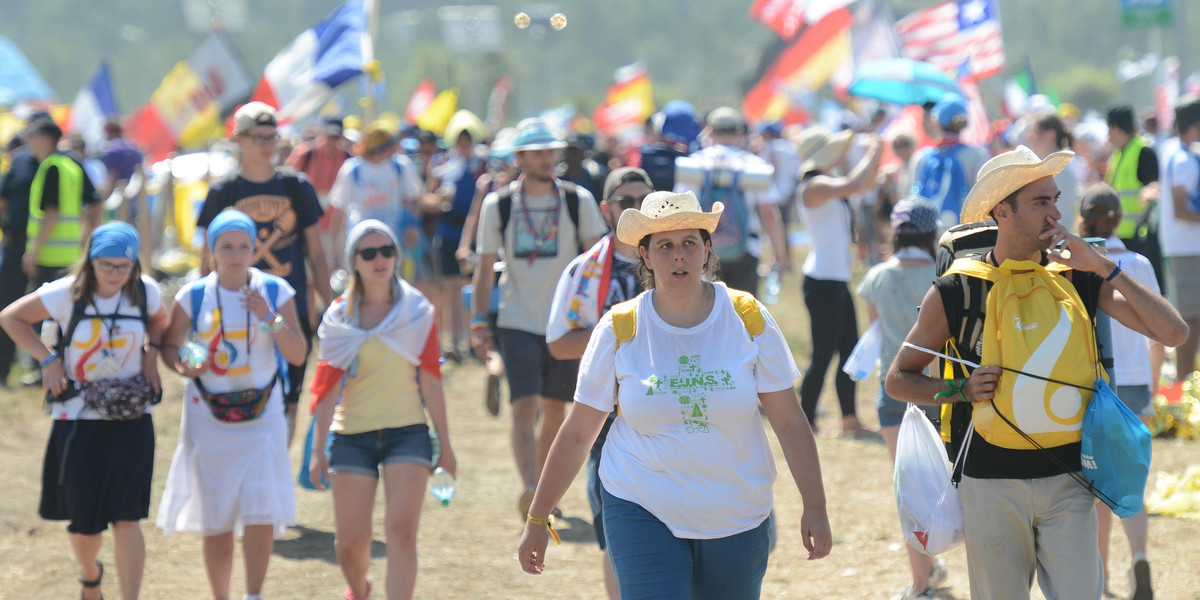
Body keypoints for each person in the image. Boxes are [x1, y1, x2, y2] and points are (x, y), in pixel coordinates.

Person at [886, 146, 1187, 599]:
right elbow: (899, 379)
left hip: (1072, 478)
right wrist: (960, 389)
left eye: (1056, 200)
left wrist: (1105, 267)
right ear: (1002, 211)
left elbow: (1175, 333)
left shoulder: (1079, 276)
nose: (1056, 214)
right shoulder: (958, 288)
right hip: (988, 483)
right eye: (1040, 202)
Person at [517, 190, 832, 599]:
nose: (678, 255)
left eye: (689, 243)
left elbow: (789, 421)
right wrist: (538, 518)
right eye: (664, 246)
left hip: (737, 510)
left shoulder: (747, 317)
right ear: (645, 256)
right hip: (640, 503)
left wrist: (816, 506)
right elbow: (579, 433)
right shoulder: (619, 328)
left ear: (706, 251)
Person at [0, 222, 166, 600]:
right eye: (106, 266)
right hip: (77, 416)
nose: (115, 275)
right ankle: (90, 576)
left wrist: (152, 355)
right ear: (90, 262)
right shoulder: (64, 293)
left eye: (123, 267)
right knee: (84, 523)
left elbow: (159, 320)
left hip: (132, 418)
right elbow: (10, 317)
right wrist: (48, 360)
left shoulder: (145, 291)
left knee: (128, 516)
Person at [157, 209, 308, 600]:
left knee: (260, 505)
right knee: (217, 515)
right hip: (208, 415)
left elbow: (297, 353)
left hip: (264, 413)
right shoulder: (193, 294)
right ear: (212, 251)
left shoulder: (274, 290)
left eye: (244, 246)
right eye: (227, 246)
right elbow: (169, 347)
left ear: (254, 248)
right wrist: (185, 364)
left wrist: (268, 317)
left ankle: (253, 594)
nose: (237, 255)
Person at [307, 220, 456, 600]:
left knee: (402, 535)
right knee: (350, 544)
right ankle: (360, 589)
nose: (380, 260)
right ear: (353, 261)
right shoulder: (339, 318)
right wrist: (317, 449)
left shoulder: (417, 310)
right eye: (368, 253)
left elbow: (432, 381)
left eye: (387, 251)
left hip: (408, 433)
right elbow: (325, 389)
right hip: (351, 436)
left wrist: (447, 447)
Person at [469, 117, 607, 517]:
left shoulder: (577, 200)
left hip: (564, 325)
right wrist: (479, 322)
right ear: (519, 158)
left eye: (552, 151)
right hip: (516, 320)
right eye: (539, 152)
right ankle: (531, 488)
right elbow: (483, 268)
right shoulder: (500, 204)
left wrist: (593, 318)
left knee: (554, 410)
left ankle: (546, 489)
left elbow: (594, 264)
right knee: (523, 406)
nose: (549, 158)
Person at [544, 166, 654, 600]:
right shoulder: (583, 271)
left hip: (669, 412)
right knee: (614, 530)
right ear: (607, 209)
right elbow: (558, 343)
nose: (636, 210)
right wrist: (618, 334)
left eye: (644, 201)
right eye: (626, 202)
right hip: (605, 420)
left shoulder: (675, 259)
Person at [197, 102, 333, 447]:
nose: (267, 144)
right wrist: (204, 306)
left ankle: (276, 465)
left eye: (272, 136)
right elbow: (206, 258)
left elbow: (316, 252)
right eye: (258, 137)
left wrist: (330, 304)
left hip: (292, 306)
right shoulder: (223, 192)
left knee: (289, 399)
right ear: (238, 140)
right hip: (235, 310)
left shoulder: (296, 186)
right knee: (241, 392)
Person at [857, 199, 949, 600]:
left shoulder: (876, 277)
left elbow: (874, 335)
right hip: (942, 392)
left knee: (909, 490)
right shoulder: (943, 274)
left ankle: (921, 581)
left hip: (892, 393)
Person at [1076, 184, 1158, 599]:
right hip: (1139, 380)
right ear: (1119, 219)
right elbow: (1159, 332)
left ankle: (1102, 577)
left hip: (1100, 383)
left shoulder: (1079, 263)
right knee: (1132, 478)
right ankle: (1140, 555)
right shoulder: (1139, 263)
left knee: (1099, 487)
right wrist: (1156, 384)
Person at [795, 125, 882, 436]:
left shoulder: (824, 184)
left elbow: (863, 183)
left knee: (848, 350)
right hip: (823, 282)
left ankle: (849, 420)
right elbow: (857, 184)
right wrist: (873, 152)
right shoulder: (813, 185)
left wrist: (874, 156)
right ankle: (805, 420)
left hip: (834, 279)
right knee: (822, 353)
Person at [674, 106, 787, 294]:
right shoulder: (754, 165)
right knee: (743, 315)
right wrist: (779, 256)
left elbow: (680, 212)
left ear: (709, 131)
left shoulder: (693, 164)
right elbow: (769, 214)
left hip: (702, 251)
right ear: (740, 132)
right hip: (747, 249)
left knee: (707, 314)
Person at [425, 116, 486, 361]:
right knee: (450, 287)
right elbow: (426, 199)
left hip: (472, 234)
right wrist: (439, 199)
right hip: (448, 231)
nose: (464, 145)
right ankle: (453, 341)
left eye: (467, 140)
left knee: (468, 288)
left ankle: (472, 339)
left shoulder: (480, 164)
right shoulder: (442, 165)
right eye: (460, 141)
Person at [22, 115, 103, 287]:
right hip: (69, 254)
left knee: (40, 310)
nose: (27, 140)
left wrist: (33, 252)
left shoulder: (51, 167)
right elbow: (95, 202)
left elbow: (52, 212)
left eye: (32, 135)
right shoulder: (71, 166)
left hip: (48, 256)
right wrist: (85, 239)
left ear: (45, 139)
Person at [1161, 96, 1200, 382]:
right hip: (1187, 249)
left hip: (1185, 247)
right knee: (1191, 319)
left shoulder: (1177, 151)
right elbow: (1180, 207)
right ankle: (1185, 385)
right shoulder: (1184, 159)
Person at [910, 94, 989, 230]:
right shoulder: (976, 155)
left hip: (925, 235)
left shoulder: (920, 157)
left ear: (937, 122)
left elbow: (909, 196)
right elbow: (984, 198)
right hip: (962, 234)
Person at [1104, 106, 1160, 270]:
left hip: (1140, 236)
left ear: (1115, 127)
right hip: (1120, 235)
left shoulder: (1144, 150)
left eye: (1109, 129)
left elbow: (1155, 186)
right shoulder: (1118, 153)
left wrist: (1150, 191)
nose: (1108, 136)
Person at [1030, 114, 1081, 233]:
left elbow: (1062, 212)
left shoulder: (1060, 167)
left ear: (1050, 134)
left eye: (1035, 132)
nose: (1031, 137)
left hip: (1058, 238)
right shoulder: (1053, 165)